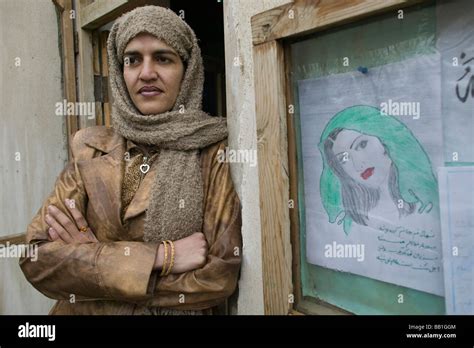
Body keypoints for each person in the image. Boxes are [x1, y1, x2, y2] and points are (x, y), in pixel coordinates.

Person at [19, 6, 242, 315]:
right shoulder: (91, 149)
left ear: (188, 70)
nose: (146, 72)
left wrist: (92, 261)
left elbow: (217, 278)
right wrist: (161, 258)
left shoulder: (211, 151)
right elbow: (36, 258)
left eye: (163, 58)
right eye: (132, 59)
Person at [319, 105, 438, 235]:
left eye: (362, 144)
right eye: (344, 159)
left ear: (385, 140)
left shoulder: (425, 207)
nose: (358, 165)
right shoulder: (348, 227)